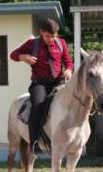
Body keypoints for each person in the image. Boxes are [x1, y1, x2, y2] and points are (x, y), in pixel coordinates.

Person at [10, 18, 74, 153]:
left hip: (59, 83)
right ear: (41, 32)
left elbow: (68, 61)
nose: (51, 39)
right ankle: (34, 144)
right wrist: (23, 57)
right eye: (48, 36)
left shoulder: (61, 43)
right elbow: (13, 55)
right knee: (38, 107)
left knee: (72, 104)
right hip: (40, 84)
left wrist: (69, 69)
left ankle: (74, 140)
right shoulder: (32, 43)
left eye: (54, 36)